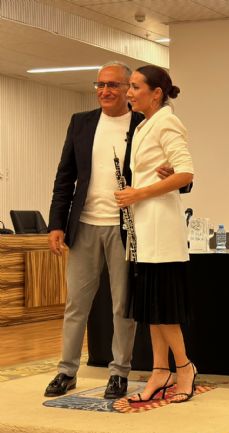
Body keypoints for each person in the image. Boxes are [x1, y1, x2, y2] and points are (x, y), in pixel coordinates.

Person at [45, 61, 141, 399]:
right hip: (83, 225)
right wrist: (56, 223)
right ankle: (66, 371)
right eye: (100, 84)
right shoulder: (81, 123)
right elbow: (65, 177)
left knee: (122, 305)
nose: (105, 91)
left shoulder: (143, 123)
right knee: (76, 304)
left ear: (129, 89)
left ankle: (119, 372)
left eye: (113, 85)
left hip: (125, 228)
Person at [114, 65, 196, 404]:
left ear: (156, 93)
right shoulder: (145, 124)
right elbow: (168, 171)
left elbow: (187, 173)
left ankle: (185, 367)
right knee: (150, 307)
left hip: (162, 228)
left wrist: (139, 192)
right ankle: (159, 371)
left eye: (134, 87)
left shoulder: (167, 121)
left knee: (165, 308)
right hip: (143, 229)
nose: (128, 93)